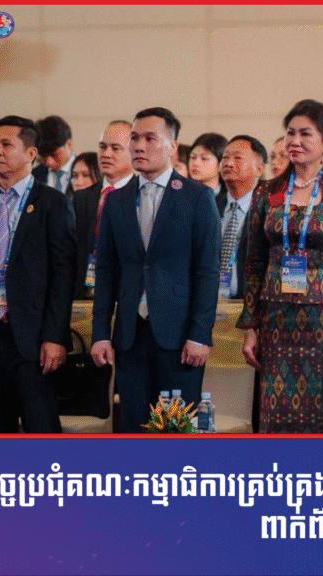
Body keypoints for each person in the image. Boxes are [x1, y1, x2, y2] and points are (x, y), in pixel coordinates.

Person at [238, 99, 323, 433]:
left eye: (305, 134)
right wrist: (251, 326)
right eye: (290, 133)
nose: (294, 141)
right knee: (278, 420)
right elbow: (253, 264)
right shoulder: (266, 193)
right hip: (277, 324)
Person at [90, 107, 221, 433]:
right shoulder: (116, 201)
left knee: (176, 430)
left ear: (172, 146)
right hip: (130, 336)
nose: (139, 146)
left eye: (150, 138)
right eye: (135, 138)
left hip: (179, 338)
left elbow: (207, 272)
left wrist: (200, 334)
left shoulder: (197, 197)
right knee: (134, 428)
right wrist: (100, 332)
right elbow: (105, 272)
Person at [0, 115, 76, 433]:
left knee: (40, 430)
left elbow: (63, 277)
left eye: (6, 144)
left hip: (32, 338)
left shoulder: (52, 203)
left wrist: (54, 337)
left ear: (31, 154)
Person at [73, 120, 135, 299]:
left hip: (126, 294)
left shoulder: (141, 195)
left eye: (115, 148)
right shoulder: (82, 197)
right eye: (102, 147)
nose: (106, 154)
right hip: (83, 292)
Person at [217, 135, 266, 300]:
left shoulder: (269, 209)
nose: (229, 163)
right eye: (225, 158)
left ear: (260, 168)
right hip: (213, 302)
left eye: (237, 158)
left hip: (254, 302)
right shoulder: (211, 206)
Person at [32, 115, 75, 195]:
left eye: (54, 155)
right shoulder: (33, 176)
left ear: (68, 144)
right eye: (43, 156)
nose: (49, 162)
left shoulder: (91, 173)